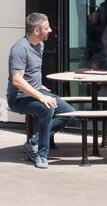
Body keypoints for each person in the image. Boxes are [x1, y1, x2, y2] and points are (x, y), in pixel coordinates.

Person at [7, 12, 72, 169]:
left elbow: (32, 72)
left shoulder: (40, 45)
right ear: (37, 31)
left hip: (35, 91)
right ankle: (42, 155)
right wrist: (41, 97)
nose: (50, 30)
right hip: (19, 97)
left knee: (68, 112)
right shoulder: (20, 49)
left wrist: (39, 86)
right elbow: (17, 80)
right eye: (46, 28)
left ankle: (33, 142)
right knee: (47, 108)